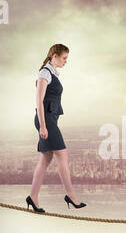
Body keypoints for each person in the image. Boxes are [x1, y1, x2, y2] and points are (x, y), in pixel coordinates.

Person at [26, 44, 86, 213]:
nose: (66, 61)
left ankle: (33, 197)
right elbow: (38, 101)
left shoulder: (51, 73)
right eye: (64, 58)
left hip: (50, 119)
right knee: (62, 154)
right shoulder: (45, 73)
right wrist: (43, 126)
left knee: (45, 159)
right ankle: (71, 195)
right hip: (45, 120)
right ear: (54, 56)